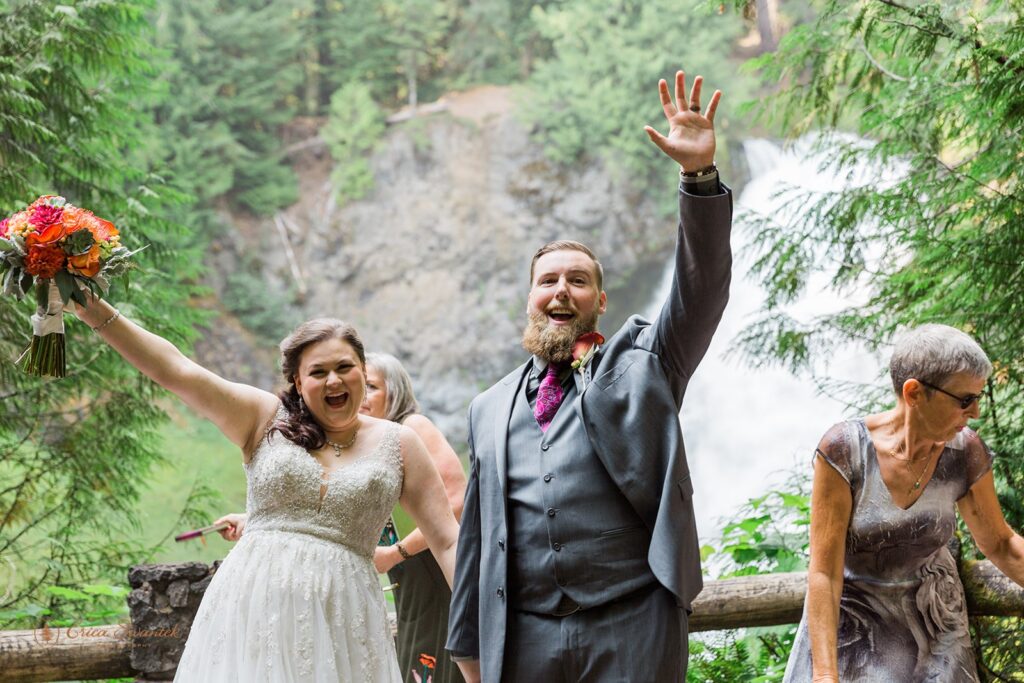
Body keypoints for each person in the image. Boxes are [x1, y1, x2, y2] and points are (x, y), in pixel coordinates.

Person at [446, 70, 733, 683]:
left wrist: (698, 179)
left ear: (601, 301)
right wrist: (469, 652)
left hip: (632, 620)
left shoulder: (645, 366)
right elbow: (477, 536)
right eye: (548, 280)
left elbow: (701, 293)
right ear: (528, 297)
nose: (561, 291)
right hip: (525, 636)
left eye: (578, 280)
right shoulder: (487, 409)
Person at [71, 298, 465, 682]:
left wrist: (475, 634)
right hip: (254, 605)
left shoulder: (400, 443)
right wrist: (91, 308)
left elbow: (448, 541)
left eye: (345, 367)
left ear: (363, 370)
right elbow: (178, 371)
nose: (333, 380)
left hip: (345, 615)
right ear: (297, 380)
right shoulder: (262, 416)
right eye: (317, 372)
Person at [784, 324, 1024, 682]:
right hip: (855, 626)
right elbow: (824, 572)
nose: (975, 412)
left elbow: (1001, 544)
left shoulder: (965, 452)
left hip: (936, 626)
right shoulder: (845, 451)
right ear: (914, 393)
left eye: (978, 396)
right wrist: (824, 675)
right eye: (964, 400)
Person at [215, 352, 468, 683]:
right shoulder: (365, 444)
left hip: (433, 569)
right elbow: (328, 505)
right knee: (413, 660)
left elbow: (457, 500)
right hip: (407, 576)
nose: (362, 397)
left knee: (430, 659)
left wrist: (395, 553)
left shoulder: (412, 427)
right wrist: (252, 518)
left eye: (373, 387)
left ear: (396, 392)